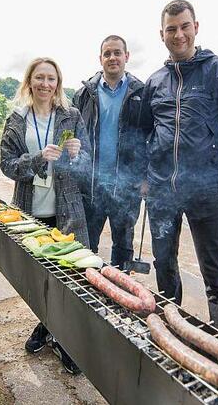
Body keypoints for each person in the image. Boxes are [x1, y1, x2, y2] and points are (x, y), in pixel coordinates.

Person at [138, 0, 218, 339]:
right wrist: (143, 176)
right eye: (171, 29)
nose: (179, 35)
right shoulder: (155, 82)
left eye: (184, 26)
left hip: (205, 191)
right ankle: (170, 329)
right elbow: (142, 133)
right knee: (164, 265)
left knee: (216, 273)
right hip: (162, 192)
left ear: (196, 27)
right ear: (161, 35)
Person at [0, 57, 89, 375]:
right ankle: (45, 325)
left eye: (51, 78)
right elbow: (7, 165)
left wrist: (78, 155)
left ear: (58, 83)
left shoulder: (72, 116)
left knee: (69, 279)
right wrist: (36, 158)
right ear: (29, 81)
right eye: (39, 77)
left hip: (67, 213)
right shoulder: (16, 118)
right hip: (29, 213)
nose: (45, 84)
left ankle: (66, 341)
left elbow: (86, 165)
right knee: (38, 279)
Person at [72, 35, 146, 268]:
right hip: (91, 185)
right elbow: (72, 135)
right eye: (107, 54)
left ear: (127, 56)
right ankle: (87, 296)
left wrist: (145, 177)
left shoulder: (142, 93)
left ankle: (121, 293)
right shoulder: (83, 94)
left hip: (126, 188)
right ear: (100, 59)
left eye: (117, 53)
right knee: (85, 247)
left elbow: (150, 139)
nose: (112, 58)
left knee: (123, 249)